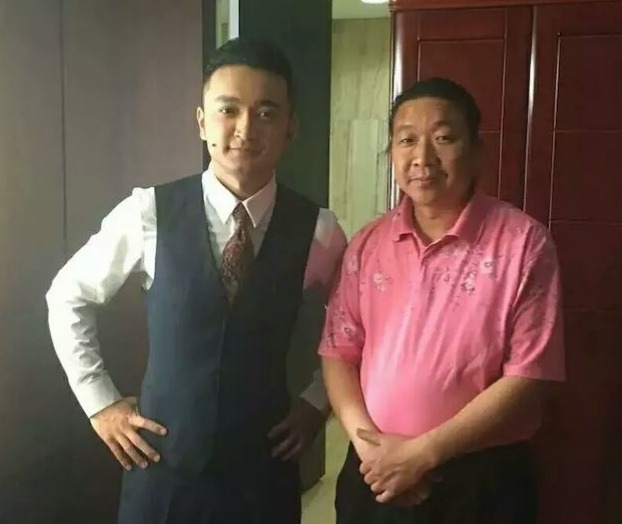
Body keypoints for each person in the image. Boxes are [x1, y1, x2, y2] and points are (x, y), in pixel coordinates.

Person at [46, 37, 346, 523]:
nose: (246, 128)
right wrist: (100, 403)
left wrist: (319, 401)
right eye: (229, 110)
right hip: (161, 471)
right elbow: (67, 296)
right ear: (203, 122)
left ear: (291, 127)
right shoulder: (148, 212)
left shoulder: (319, 231)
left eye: (266, 113)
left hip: (263, 475)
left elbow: (357, 327)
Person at [319, 77, 565, 524]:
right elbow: (338, 353)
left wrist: (422, 454)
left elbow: (529, 375)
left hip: (478, 479)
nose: (422, 158)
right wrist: (371, 449)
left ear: (476, 151)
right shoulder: (367, 245)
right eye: (406, 140)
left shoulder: (523, 244)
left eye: (444, 138)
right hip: (375, 472)